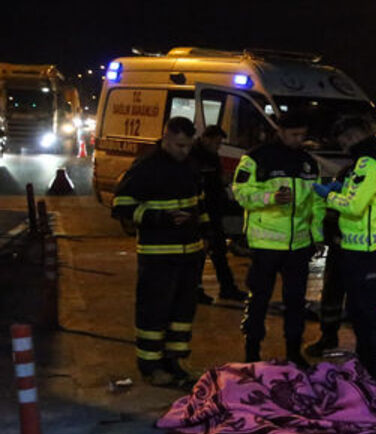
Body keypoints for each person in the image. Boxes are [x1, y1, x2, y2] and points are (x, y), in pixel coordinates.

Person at [110, 117, 208, 387]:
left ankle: (175, 362)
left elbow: (199, 202)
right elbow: (120, 206)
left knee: (182, 314)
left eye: (188, 146)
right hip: (158, 254)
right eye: (179, 146)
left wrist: (206, 232)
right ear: (165, 138)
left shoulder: (190, 165)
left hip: (190, 253)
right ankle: (150, 366)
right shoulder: (146, 167)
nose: (184, 151)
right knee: (154, 312)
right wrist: (160, 218)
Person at [306, 123, 376, 359]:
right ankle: (331, 337)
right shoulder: (356, 170)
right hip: (346, 244)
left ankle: (374, 358)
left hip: (367, 249)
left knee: (368, 308)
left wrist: (330, 195)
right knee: (336, 295)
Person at [231, 112, 323, 367]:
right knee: (259, 299)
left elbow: (315, 204)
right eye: (294, 134)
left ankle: (294, 351)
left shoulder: (308, 162)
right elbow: (240, 193)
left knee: (295, 302)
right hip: (266, 245)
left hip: (299, 246)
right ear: (280, 131)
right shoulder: (257, 158)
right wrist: (271, 198)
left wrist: (317, 237)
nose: (299, 139)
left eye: (303, 135)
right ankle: (252, 351)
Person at [313, 116, 376, 389]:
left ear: (361, 136)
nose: (345, 145)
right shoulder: (368, 162)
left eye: (348, 139)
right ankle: (368, 371)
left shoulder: (370, 164)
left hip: (369, 252)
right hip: (358, 250)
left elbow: (354, 207)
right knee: (360, 314)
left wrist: (328, 195)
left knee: (374, 315)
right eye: (342, 141)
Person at [190, 125, 247, 303]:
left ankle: (227, 288)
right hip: (201, 210)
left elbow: (214, 180)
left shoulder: (211, 156)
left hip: (213, 209)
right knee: (201, 252)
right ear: (206, 138)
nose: (219, 146)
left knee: (219, 251)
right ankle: (196, 289)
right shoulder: (195, 155)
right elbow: (199, 183)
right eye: (216, 142)